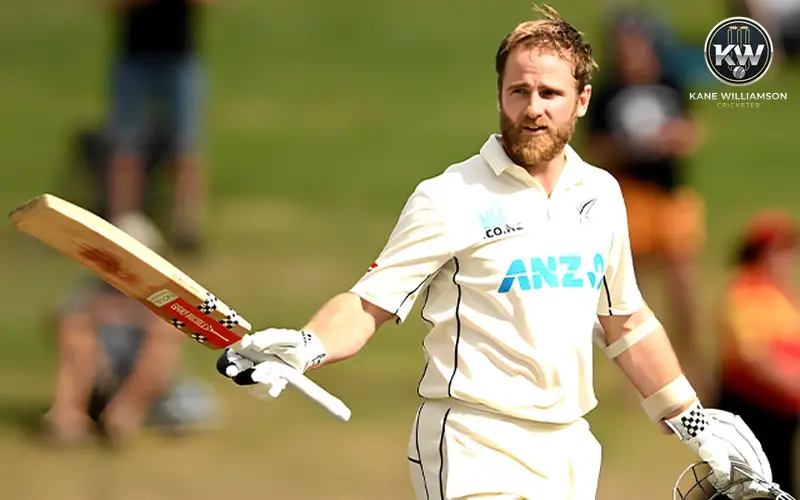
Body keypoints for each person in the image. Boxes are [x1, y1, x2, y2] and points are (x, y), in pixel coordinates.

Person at [218, 6, 774, 499]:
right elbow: (370, 304)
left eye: (550, 94)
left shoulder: (601, 195)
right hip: (471, 440)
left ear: (581, 101)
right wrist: (307, 346)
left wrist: (692, 419)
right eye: (519, 91)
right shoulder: (450, 197)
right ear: (500, 94)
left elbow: (624, 319)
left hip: (569, 447)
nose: (533, 108)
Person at [583, 12, 706, 386]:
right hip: (628, 197)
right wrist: (631, 147)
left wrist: (671, 139)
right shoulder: (607, 93)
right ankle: (638, 372)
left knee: (682, 282)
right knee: (628, 290)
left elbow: (691, 132)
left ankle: (691, 360)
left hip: (668, 196)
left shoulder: (670, 85)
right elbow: (595, 147)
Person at [41, 214, 216, 445]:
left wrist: (127, 315)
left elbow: (186, 329)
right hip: (100, 376)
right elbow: (61, 320)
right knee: (75, 329)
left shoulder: (164, 292)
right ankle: (68, 414)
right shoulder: (93, 288)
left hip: (150, 386)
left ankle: (126, 413)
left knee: (164, 335)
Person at [105, 0, 211, 253]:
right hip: (134, 59)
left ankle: (186, 228)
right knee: (126, 148)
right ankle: (121, 225)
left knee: (186, 148)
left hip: (180, 59)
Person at [713, 210, 800, 497]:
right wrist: (790, 384)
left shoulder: (779, 295)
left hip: (780, 411)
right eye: (780, 252)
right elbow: (753, 357)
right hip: (751, 409)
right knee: (736, 483)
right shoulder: (744, 293)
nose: (787, 260)